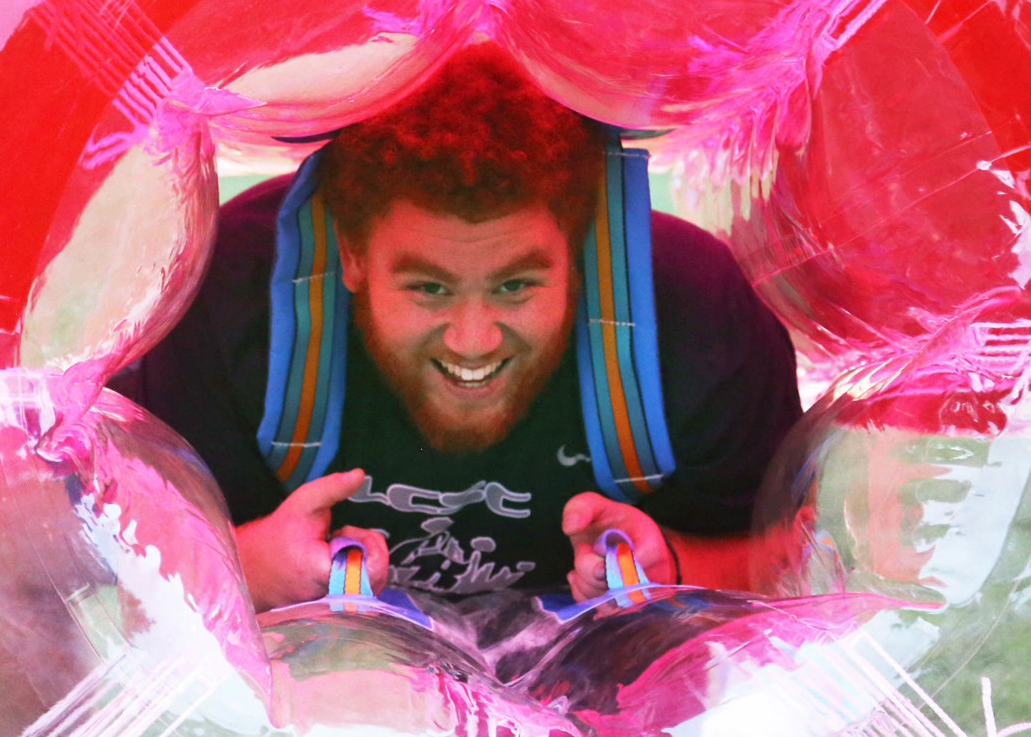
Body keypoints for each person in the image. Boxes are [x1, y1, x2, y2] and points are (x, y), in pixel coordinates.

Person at [108, 43, 804, 615]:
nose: (473, 340)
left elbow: (798, 558)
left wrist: (673, 565)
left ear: (578, 254)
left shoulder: (691, 314)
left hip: (608, 697)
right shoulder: (235, 297)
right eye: (429, 288)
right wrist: (247, 567)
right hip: (327, 696)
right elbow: (98, 557)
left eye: (515, 286)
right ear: (351, 255)